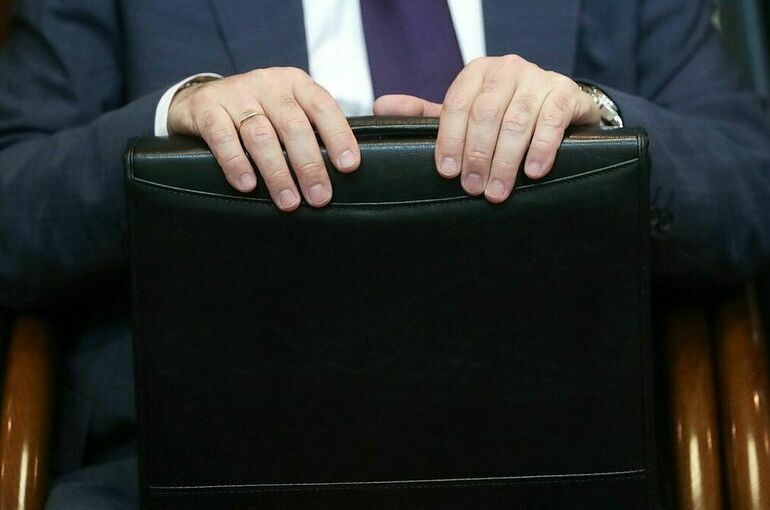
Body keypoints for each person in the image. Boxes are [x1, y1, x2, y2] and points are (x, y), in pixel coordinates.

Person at [0, 0, 767, 509]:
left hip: (554, 465)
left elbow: (749, 189)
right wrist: (172, 119)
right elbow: (13, 213)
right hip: (200, 469)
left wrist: (601, 120)